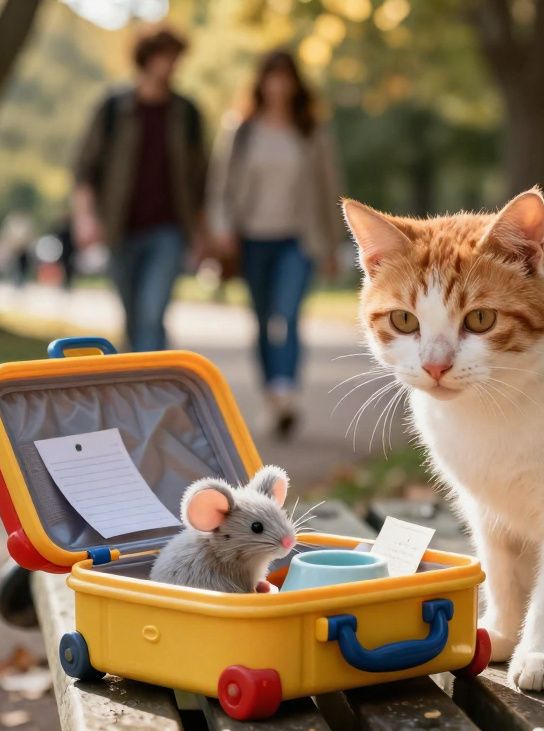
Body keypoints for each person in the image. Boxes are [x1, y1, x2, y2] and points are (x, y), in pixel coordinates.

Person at [207, 50, 342, 439]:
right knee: (264, 320)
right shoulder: (241, 129)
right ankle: (271, 395)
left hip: (298, 240)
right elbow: (220, 187)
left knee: (288, 314)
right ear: (261, 82)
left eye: (286, 78)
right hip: (251, 240)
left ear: (295, 83)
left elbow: (329, 190)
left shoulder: (311, 131)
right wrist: (222, 229)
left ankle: (286, 393)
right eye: (272, 77)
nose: (278, 85)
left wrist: (333, 246)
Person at [71, 24, 207, 352]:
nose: (173, 65)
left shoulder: (186, 113)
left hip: (169, 230)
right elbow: (85, 168)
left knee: (152, 311)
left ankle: (152, 394)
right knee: (133, 317)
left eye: (177, 58)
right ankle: (136, 384)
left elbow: (200, 179)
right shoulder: (113, 109)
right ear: (147, 59)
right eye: (167, 57)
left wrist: (202, 232)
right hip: (121, 228)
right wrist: (85, 217)